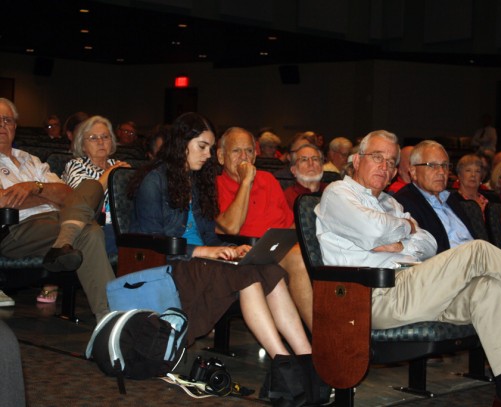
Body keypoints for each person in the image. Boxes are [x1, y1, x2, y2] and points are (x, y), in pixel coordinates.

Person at [317, 130, 501, 407]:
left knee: (488, 289)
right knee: (478, 251)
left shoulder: (390, 203)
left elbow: (428, 242)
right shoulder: (338, 193)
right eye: (377, 157)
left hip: (414, 287)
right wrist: (405, 228)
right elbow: (374, 231)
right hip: (374, 293)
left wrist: (398, 240)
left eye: (391, 161)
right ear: (357, 160)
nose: (385, 166)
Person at [129, 113, 326, 406]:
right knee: (247, 276)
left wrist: (231, 249)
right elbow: (152, 243)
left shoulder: (195, 181)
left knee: (268, 270)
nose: (208, 154)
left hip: (202, 261)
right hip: (174, 265)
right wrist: (202, 252)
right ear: (182, 143)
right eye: (202, 146)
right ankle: (284, 362)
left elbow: (210, 235)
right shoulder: (153, 181)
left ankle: (308, 359)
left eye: (210, 148)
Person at [0, 98, 114, 320]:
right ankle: (111, 317)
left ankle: (108, 318)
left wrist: (34, 187)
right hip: (16, 229)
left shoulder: (30, 159)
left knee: (91, 188)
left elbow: (68, 195)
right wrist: (48, 196)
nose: (2, 125)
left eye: (7, 120)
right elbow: (4, 201)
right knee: (89, 230)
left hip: (58, 220)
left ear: (15, 126)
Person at [215, 127, 313, 330]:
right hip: (244, 254)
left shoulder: (268, 180)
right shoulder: (215, 185)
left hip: (277, 248)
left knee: (311, 253)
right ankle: (324, 339)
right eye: (236, 151)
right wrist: (246, 182)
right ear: (221, 156)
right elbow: (231, 227)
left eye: (249, 151)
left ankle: (329, 331)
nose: (244, 157)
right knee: (298, 257)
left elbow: (289, 223)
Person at [62, 115, 131, 256]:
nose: (100, 142)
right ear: (82, 145)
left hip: (126, 224)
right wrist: (112, 173)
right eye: (93, 138)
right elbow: (87, 201)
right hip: (96, 227)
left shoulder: (119, 165)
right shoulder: (76, 166)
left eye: (105, 137)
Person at [283, 144, 327, 210]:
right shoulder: (287, 197)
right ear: (293, 170)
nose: (311, 163)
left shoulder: (332, 192)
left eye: (315, 159)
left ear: (322, 167)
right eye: (304, 160)